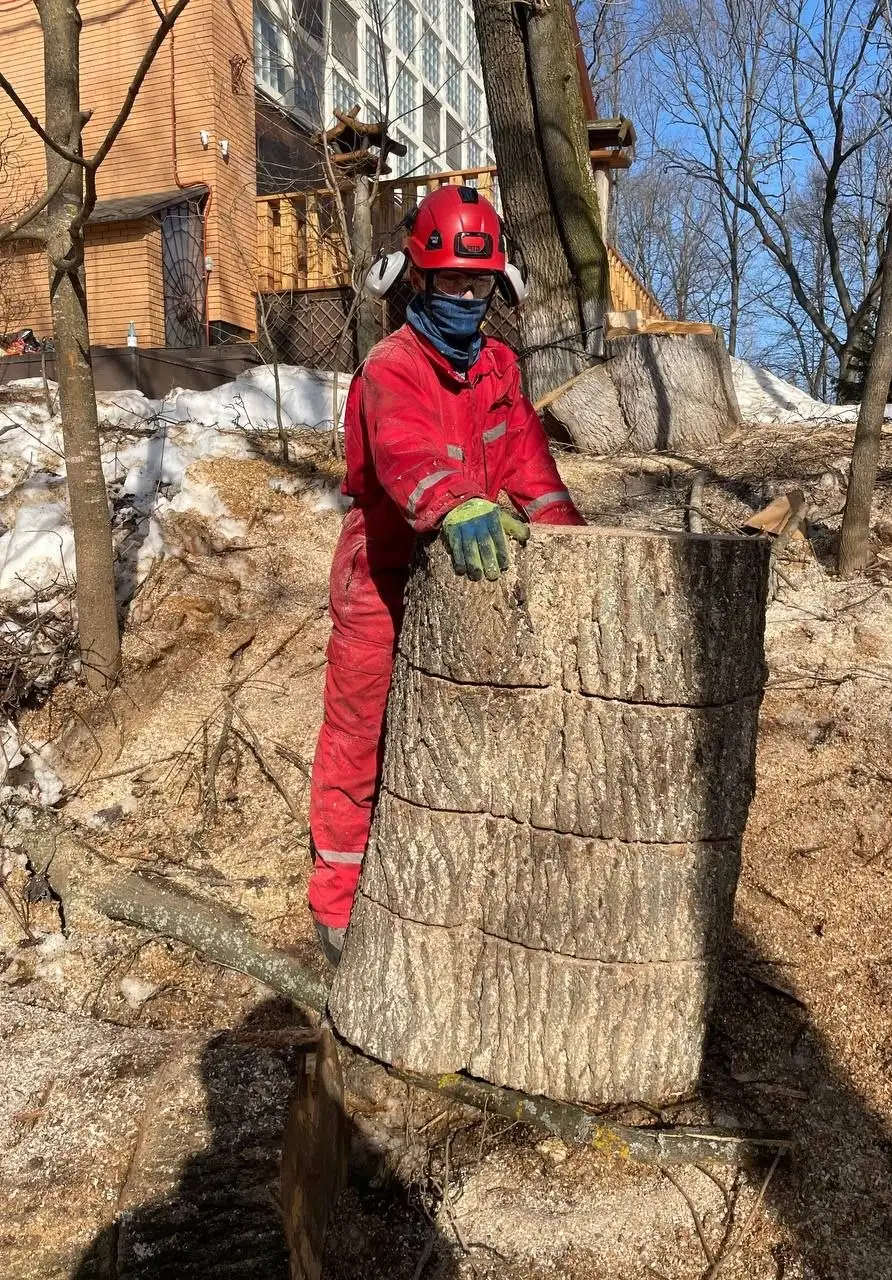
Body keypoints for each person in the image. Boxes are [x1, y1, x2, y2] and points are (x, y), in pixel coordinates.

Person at [308, 184, 586, 964]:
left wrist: (570, 547)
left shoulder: (498, 367)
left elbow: (531, 466)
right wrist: (455, 501)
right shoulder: (392, 363)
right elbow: (403, 449)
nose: (466, 298)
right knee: (361, 731)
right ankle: (336, 899)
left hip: (461, 581)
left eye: (478, 284)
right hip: (385, 570)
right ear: (419, 282)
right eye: (451, 283)